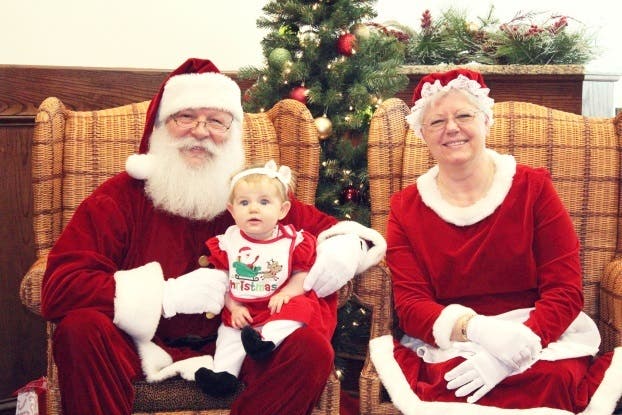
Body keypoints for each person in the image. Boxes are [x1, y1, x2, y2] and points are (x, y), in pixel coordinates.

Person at [40, 58, 387, 415]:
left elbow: (332, 229)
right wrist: (165, 295)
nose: (200, 132)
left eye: (217, 121)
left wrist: (345, 246)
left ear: (231, 133)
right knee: (80, 329)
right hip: (141, 345)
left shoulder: (249, 195)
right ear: (161, 126)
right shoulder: (119, 198)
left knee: (310, 350)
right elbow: (60, 287)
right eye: (185, 117)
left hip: (241, 342)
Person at [369, 68, 622, 414]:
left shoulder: (534, 189)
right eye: (437, 122)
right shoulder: (405, 208)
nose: (451, 128)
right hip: (457, 340)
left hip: (539, 336)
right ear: (422, 134)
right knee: (454, 385)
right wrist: (475, 329)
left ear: (486, 121)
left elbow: (565, 290)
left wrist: (517, 350)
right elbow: (412, 306)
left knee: (552, 381)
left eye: (463, 116)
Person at [194, 160, 324, 396]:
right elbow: (223, 283)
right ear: (232, 210)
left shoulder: (293, 241)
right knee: (229, 333)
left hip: (277, 306)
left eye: (264, 202)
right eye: (244, 203)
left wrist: (286, 293)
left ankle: (266, 342)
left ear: (282, 210)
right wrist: (234, 308)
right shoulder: (228, 243)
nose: (253, 209)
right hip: (244, 308)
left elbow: (302, 275)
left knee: (301, 308)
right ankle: (223, 375)